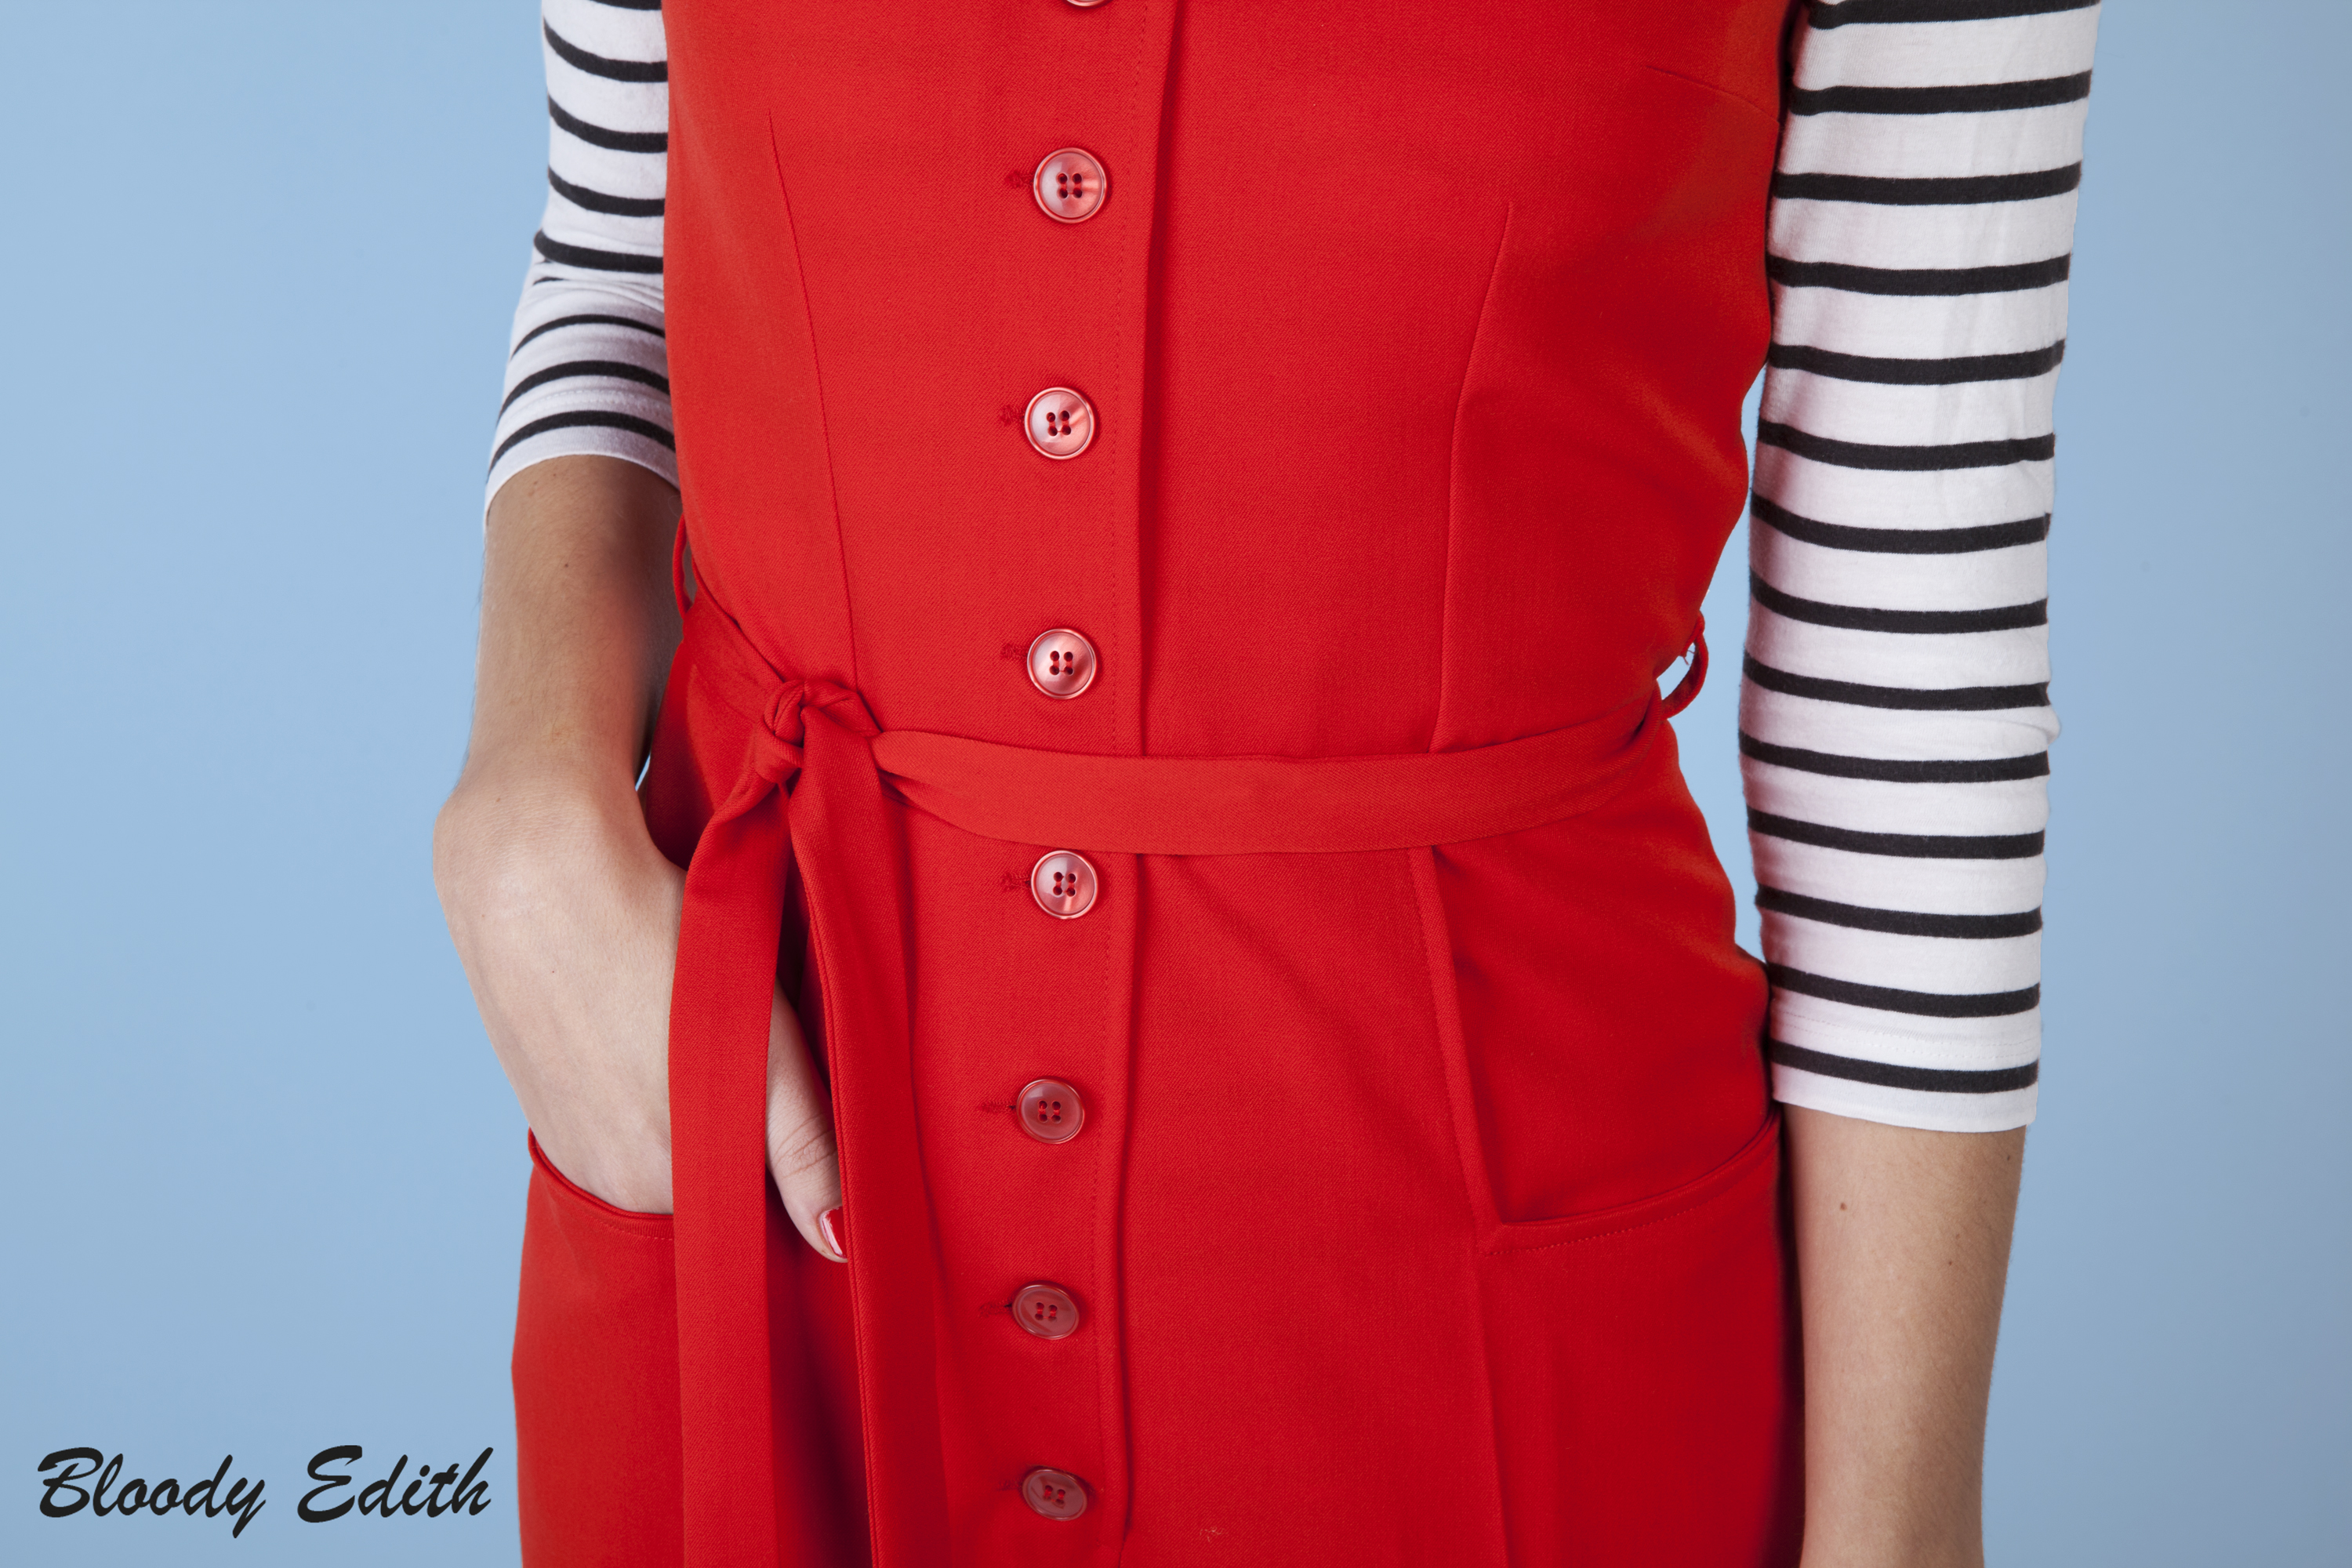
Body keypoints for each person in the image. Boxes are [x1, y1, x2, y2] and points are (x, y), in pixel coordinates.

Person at [435, 1, 2096, 1563]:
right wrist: (526, 796)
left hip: (1485, 1282)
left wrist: (1895, 1531)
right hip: (766, 1162)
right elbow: (626, 242)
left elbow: (1911, 600)